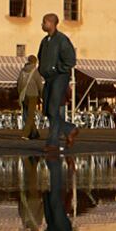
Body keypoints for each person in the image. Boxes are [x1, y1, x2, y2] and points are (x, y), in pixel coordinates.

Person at [38, 14, 79, 154]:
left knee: (53, 109)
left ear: (51, 23)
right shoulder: (45, 41)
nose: (42, 24)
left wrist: (57, 69)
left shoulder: (62, 40)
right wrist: (42, 69)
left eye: (44, 22)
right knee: (48, 111)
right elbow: (40, 57)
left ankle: (53, 143)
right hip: (48, 78)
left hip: (59, 77)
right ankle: (69, 129)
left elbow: (70, 60)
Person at [17, 55, 43, 141]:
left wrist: (20, 94)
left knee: (27, 114)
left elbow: (19, 83)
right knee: (30, 115)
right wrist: (42, 95)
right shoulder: (35, 72)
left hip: (24, 95)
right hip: (33, 95)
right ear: (35, 62)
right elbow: (40, 85)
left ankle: (35, 133)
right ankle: (25, 134)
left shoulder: (23, 71)